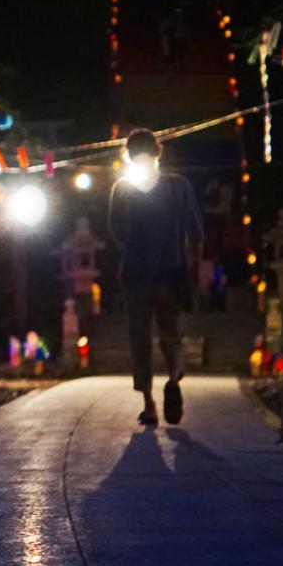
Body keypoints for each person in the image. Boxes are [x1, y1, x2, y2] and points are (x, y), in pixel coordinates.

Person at [108, 128, 203, 425]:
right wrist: (193, 270)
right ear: (158, 152)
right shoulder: (180, 186)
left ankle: (149, 405)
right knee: (172, 334)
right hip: (171, 273)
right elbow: (196, 234)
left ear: (128, 155)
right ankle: (173, 380)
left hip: (136, 274)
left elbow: (117, 233)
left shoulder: (122, 188)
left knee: (140, 339)